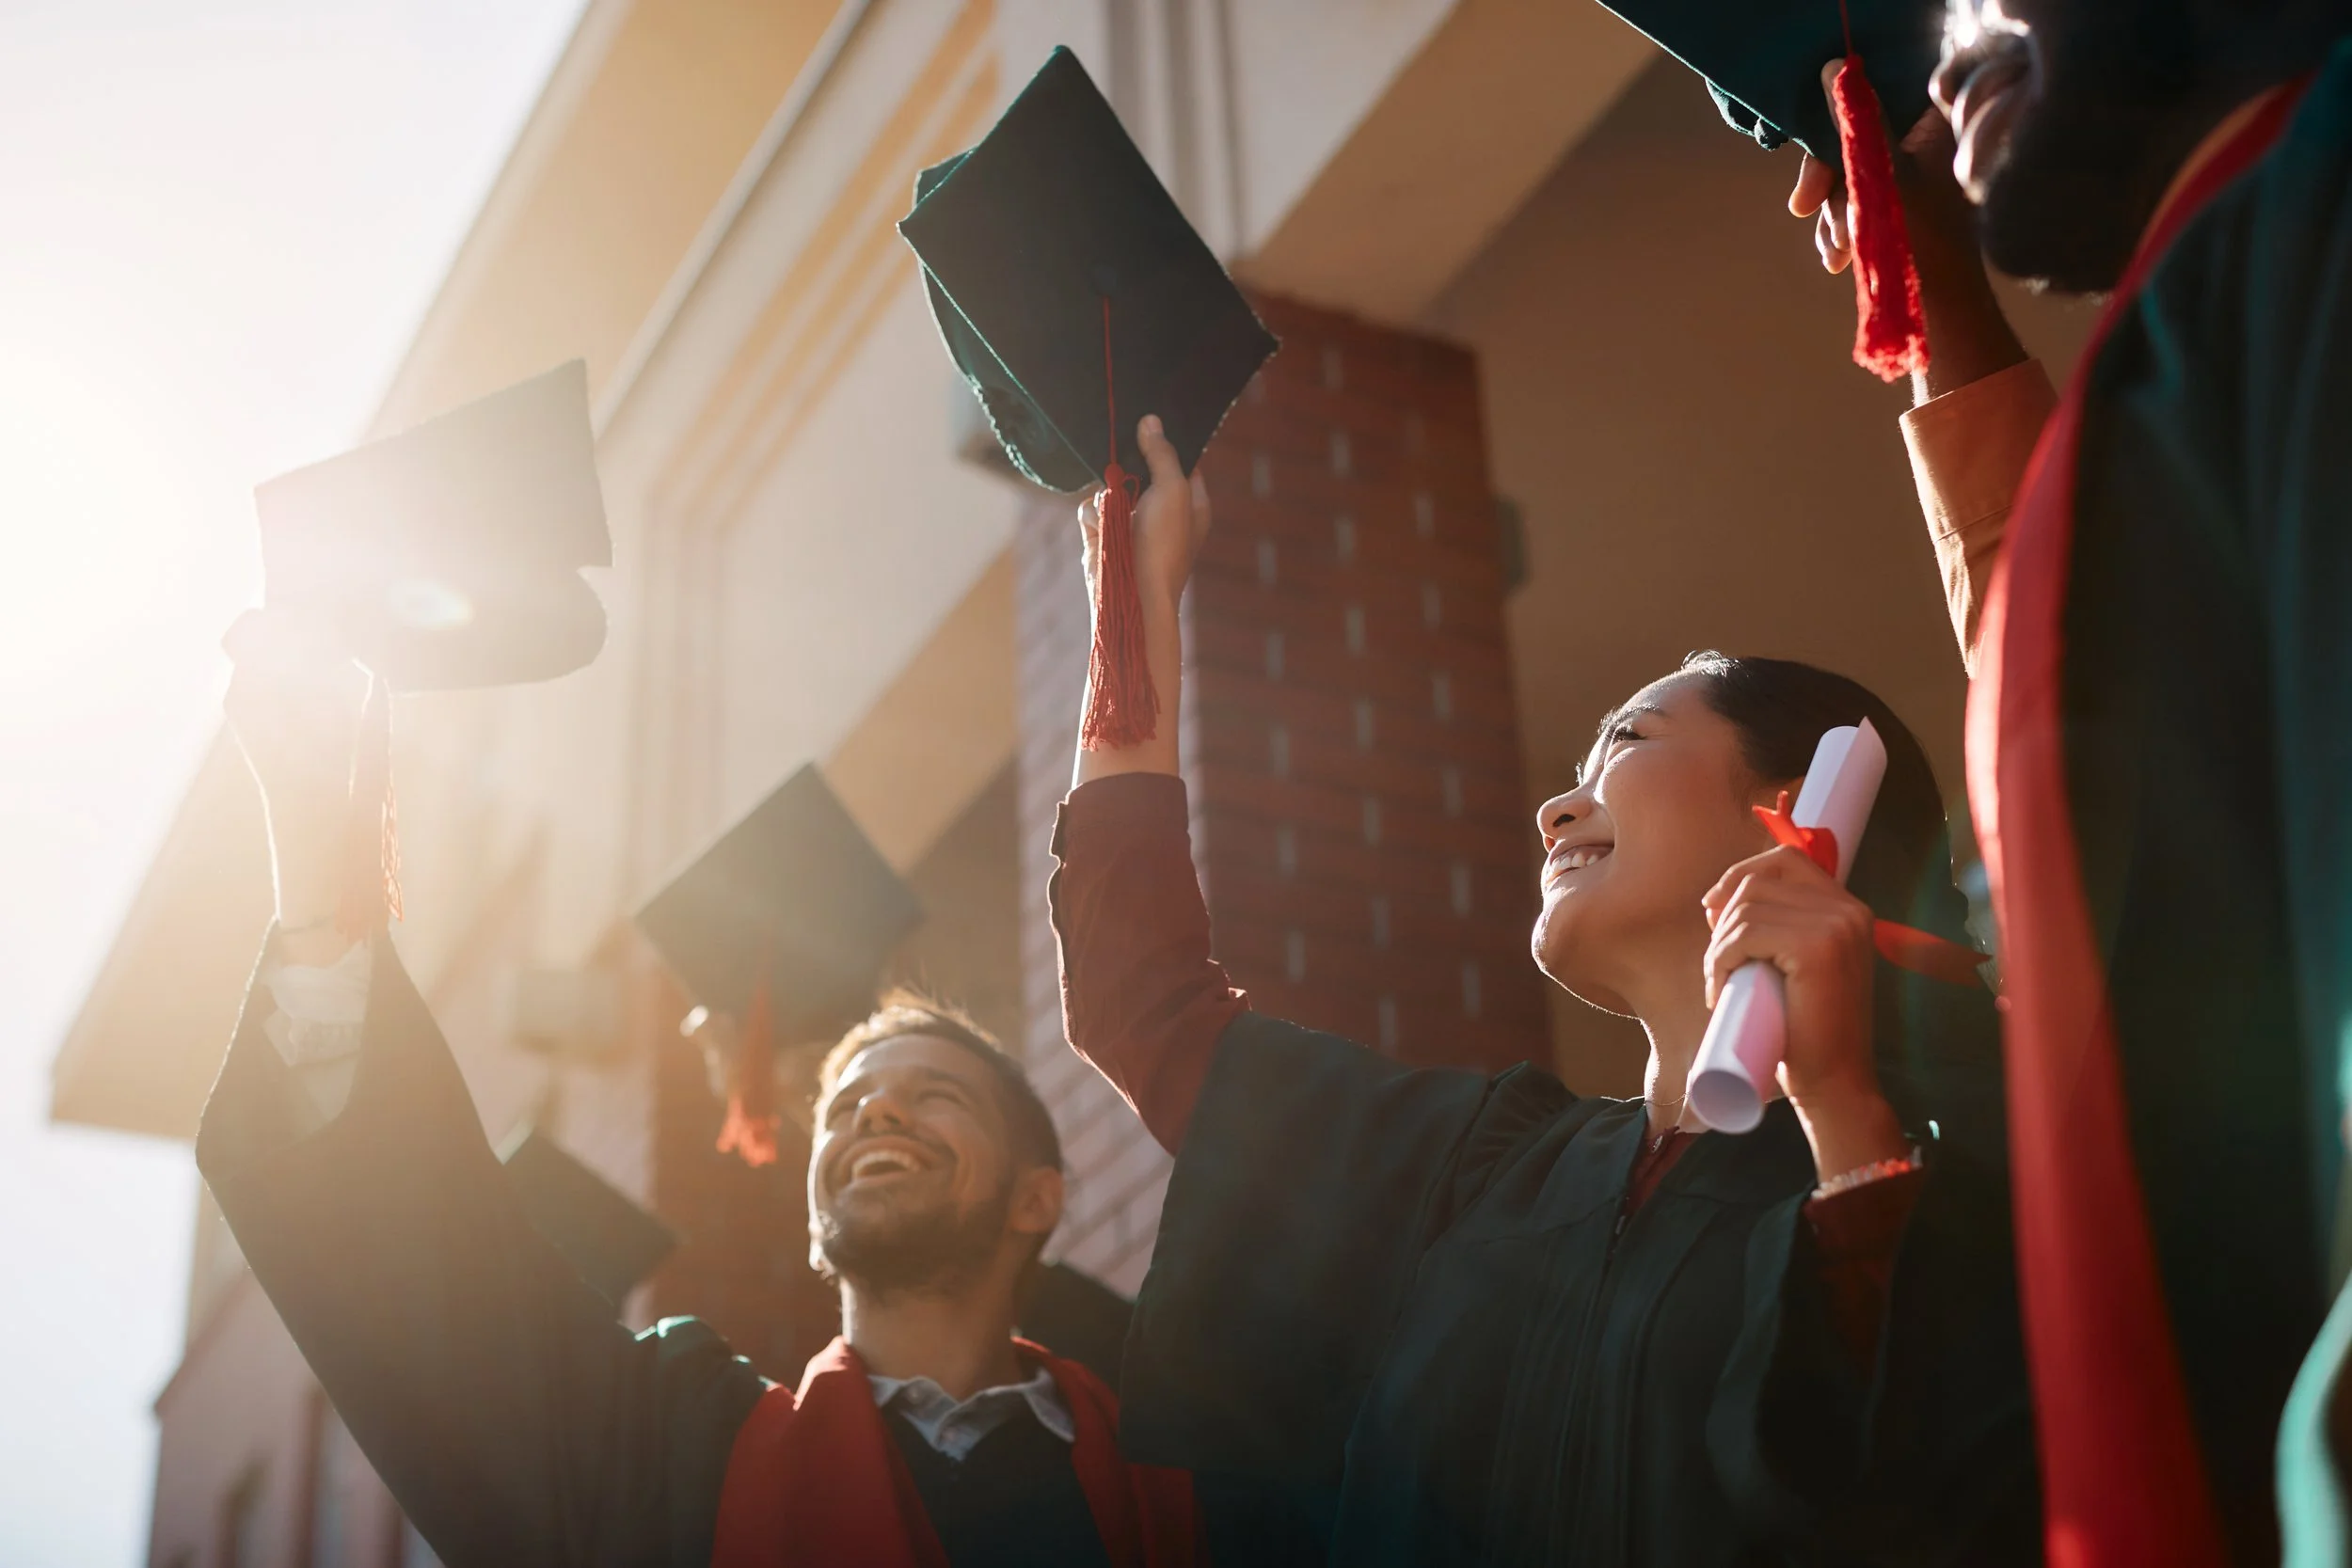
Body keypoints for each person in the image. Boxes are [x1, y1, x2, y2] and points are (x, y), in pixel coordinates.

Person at [1047, 418, 2037, 1565]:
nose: (1553, 811)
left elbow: (1953, 1486)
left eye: (1624, 740)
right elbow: (1144, 998)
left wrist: (1845, 1120)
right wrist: (1137, 603)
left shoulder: (1972, 1149)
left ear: (1795, 806)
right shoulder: (1474, 1169)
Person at [198, 629, 1200, 1568]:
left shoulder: (1199, 1453)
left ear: (1038, 1197)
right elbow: (451, 1294)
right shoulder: (670, 1457)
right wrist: (321, 891)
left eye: (936, 1095)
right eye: (846, 1103)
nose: (875, 1113)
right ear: (812, 1217)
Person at [1787, 4, 2352, 1559]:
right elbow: (2104, 698)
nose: (1940, 38)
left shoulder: (2309, 211)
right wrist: (1936, 299)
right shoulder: (2215, 285)